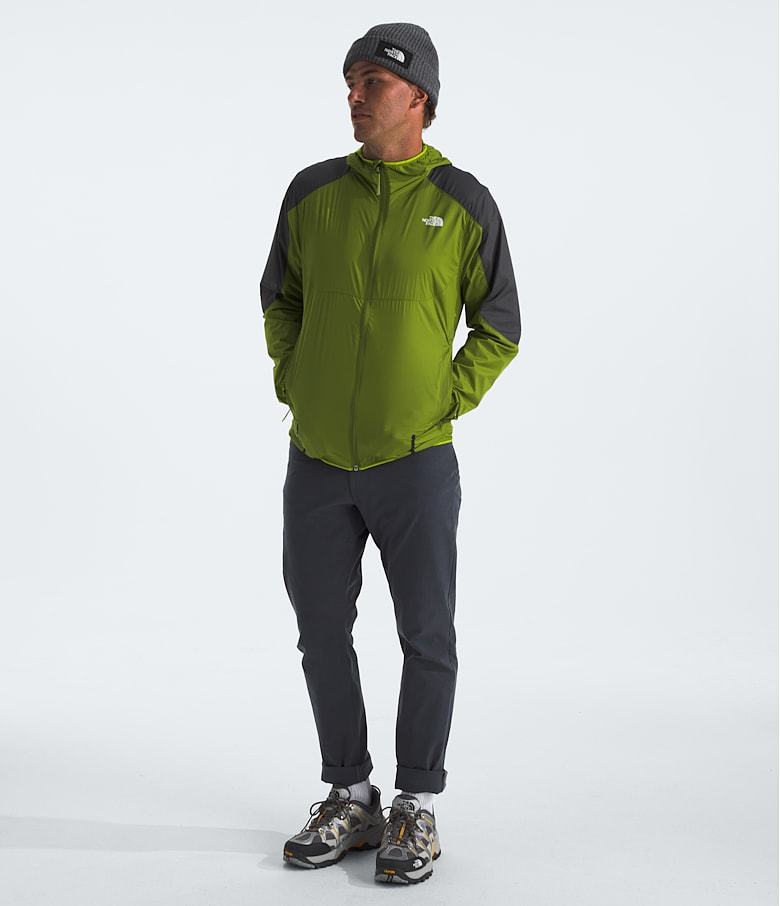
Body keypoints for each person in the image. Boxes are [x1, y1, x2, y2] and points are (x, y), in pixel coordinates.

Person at [259, 22, 521, 885]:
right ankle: (349, 793)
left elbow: (500, 324)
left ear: (419, 97)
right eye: (350, 80)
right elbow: (280, 299)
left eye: (373, 81)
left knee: (427, 634)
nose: (355, 95)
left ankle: (416, 805)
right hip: (318, 459)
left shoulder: (464, 201)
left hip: (415, 461)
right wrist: (297, 379)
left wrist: (442, 399)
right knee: (320, 630)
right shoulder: (313, 192)